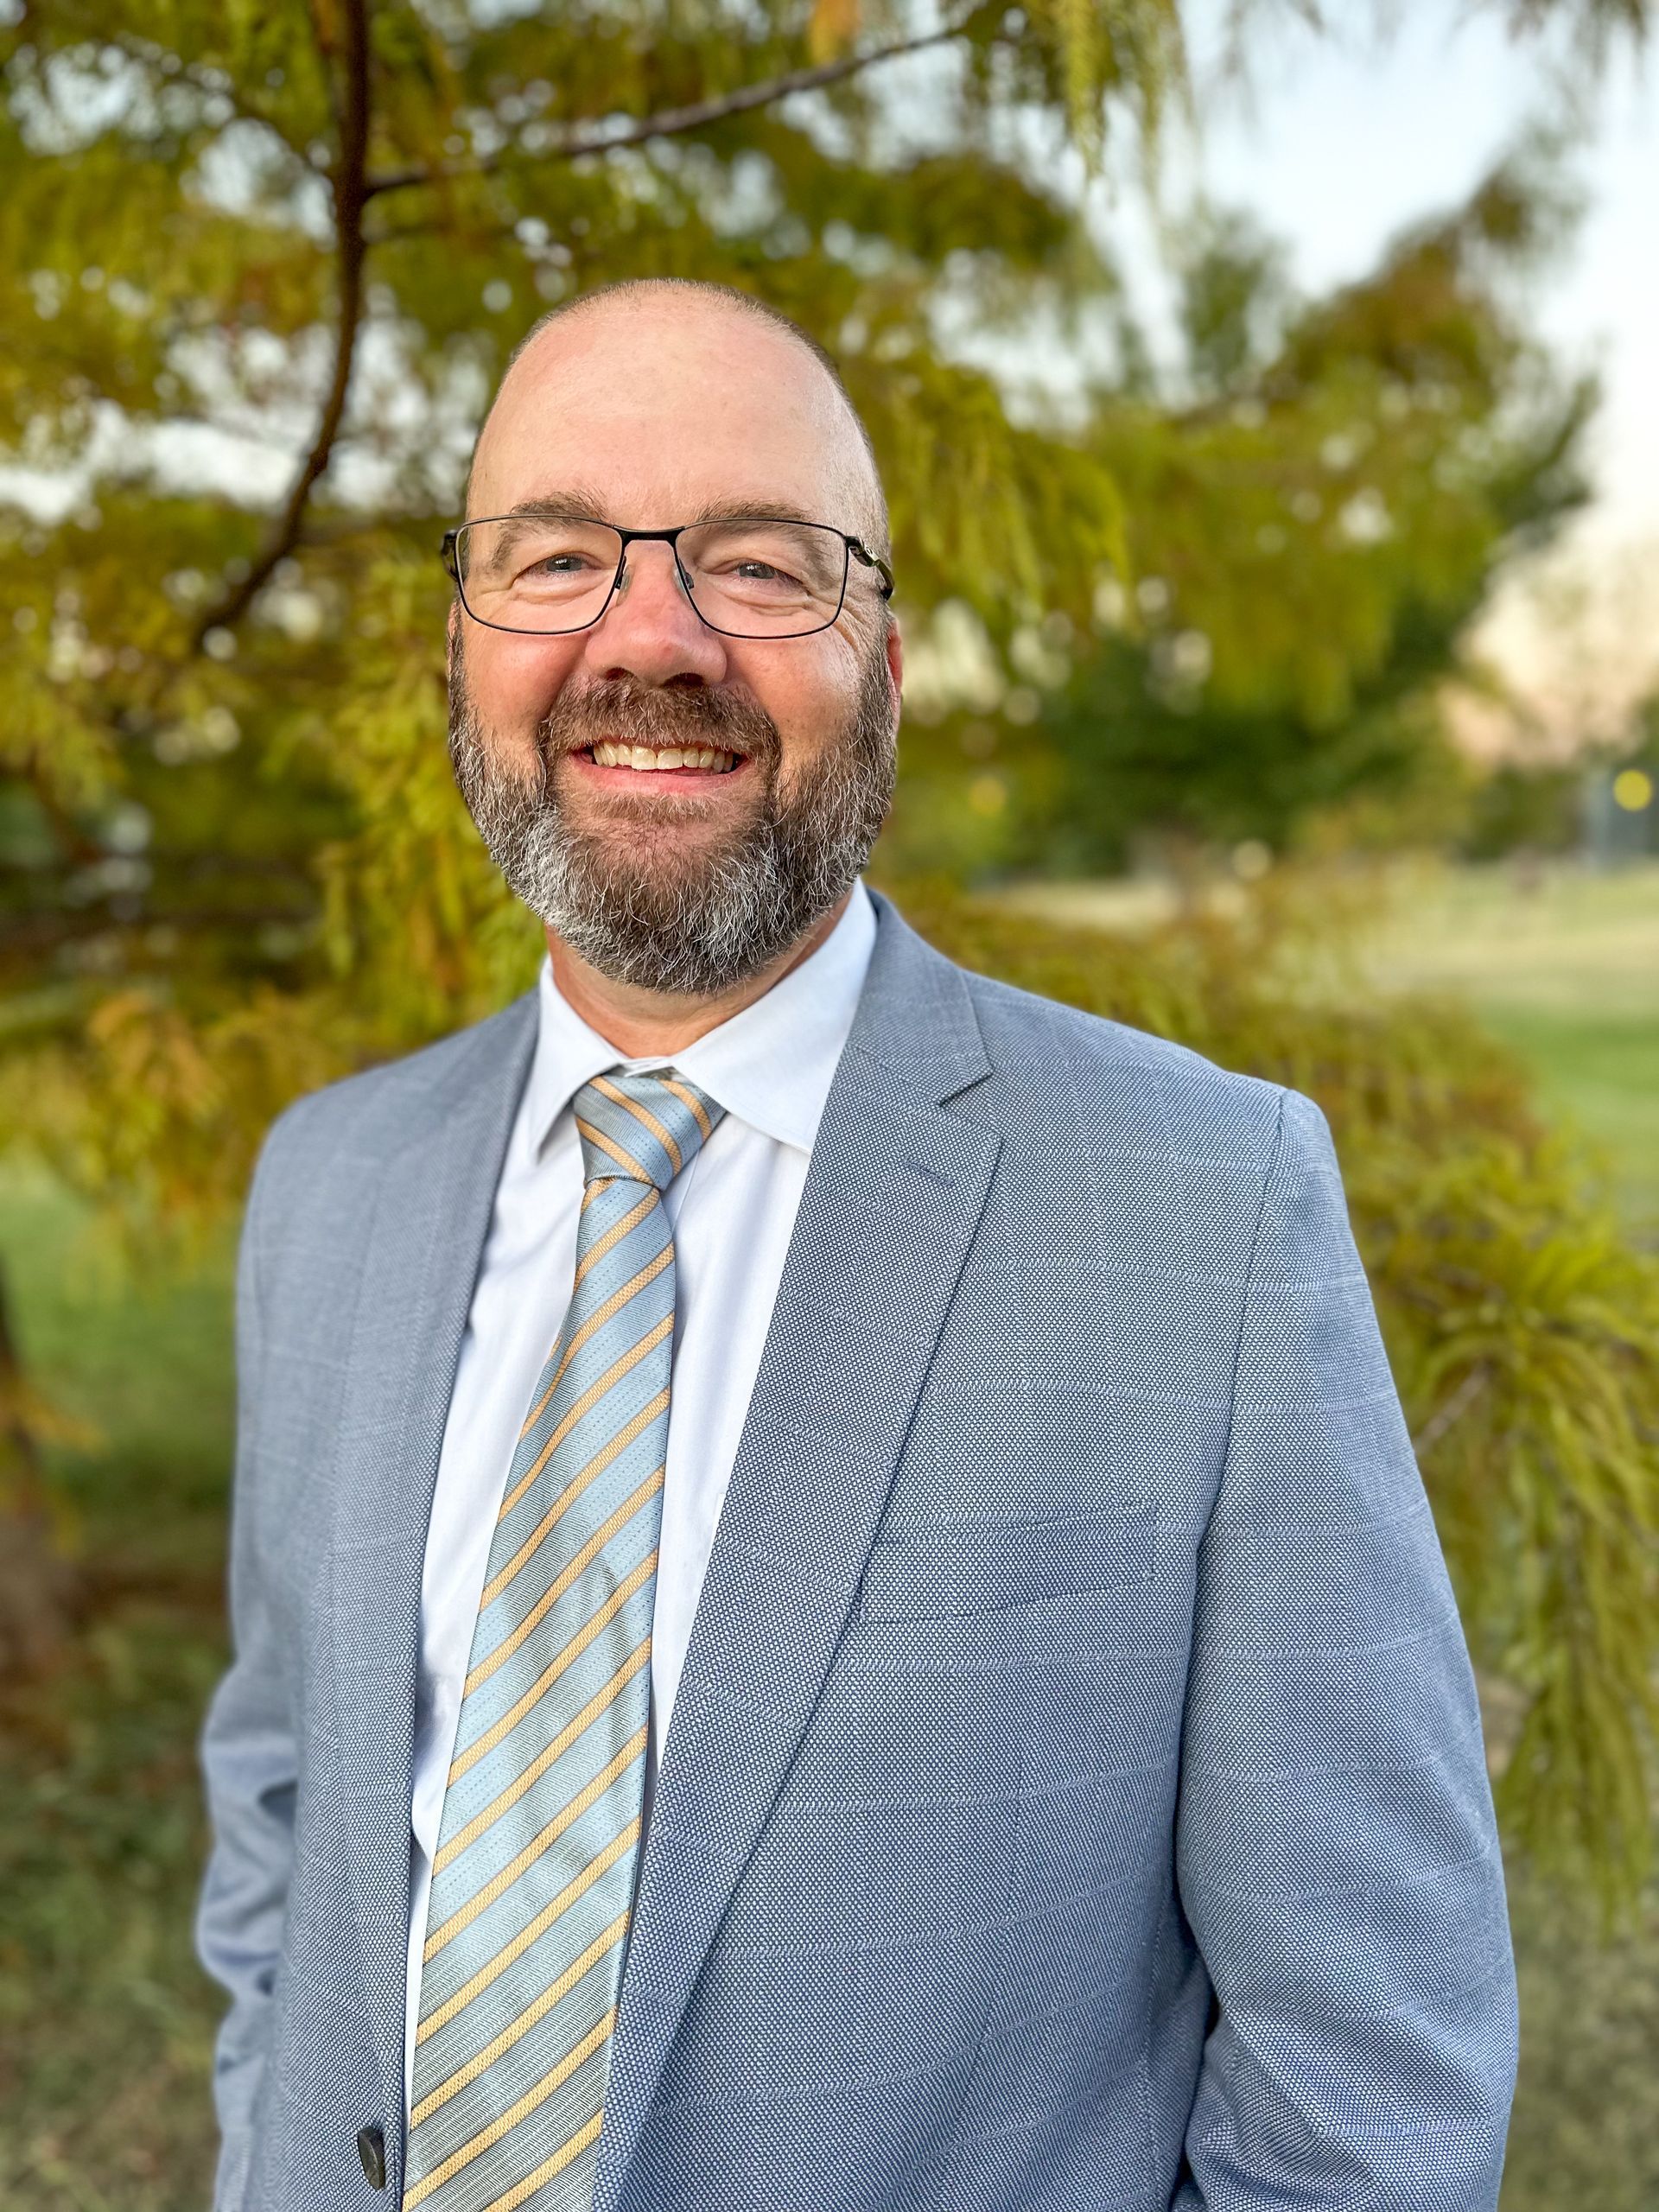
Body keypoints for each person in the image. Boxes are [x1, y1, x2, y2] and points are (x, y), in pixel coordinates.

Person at [195, 276, 1517, 2212]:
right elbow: (285, 1824)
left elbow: (1373, 2074)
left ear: (885, 662)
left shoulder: (1203, 1210)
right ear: (461, 644)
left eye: (761, 562)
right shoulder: (327, 1185)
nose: (652, 637)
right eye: (559, 554)